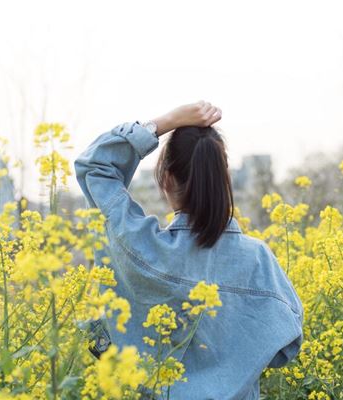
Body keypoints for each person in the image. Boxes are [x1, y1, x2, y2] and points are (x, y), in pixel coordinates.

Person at [74, 101, 303, 399]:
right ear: (225, 181)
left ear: (166, 179)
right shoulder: (259, 261)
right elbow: (283, 349)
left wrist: (165, 122)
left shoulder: (139, 245)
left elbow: (95, 166)